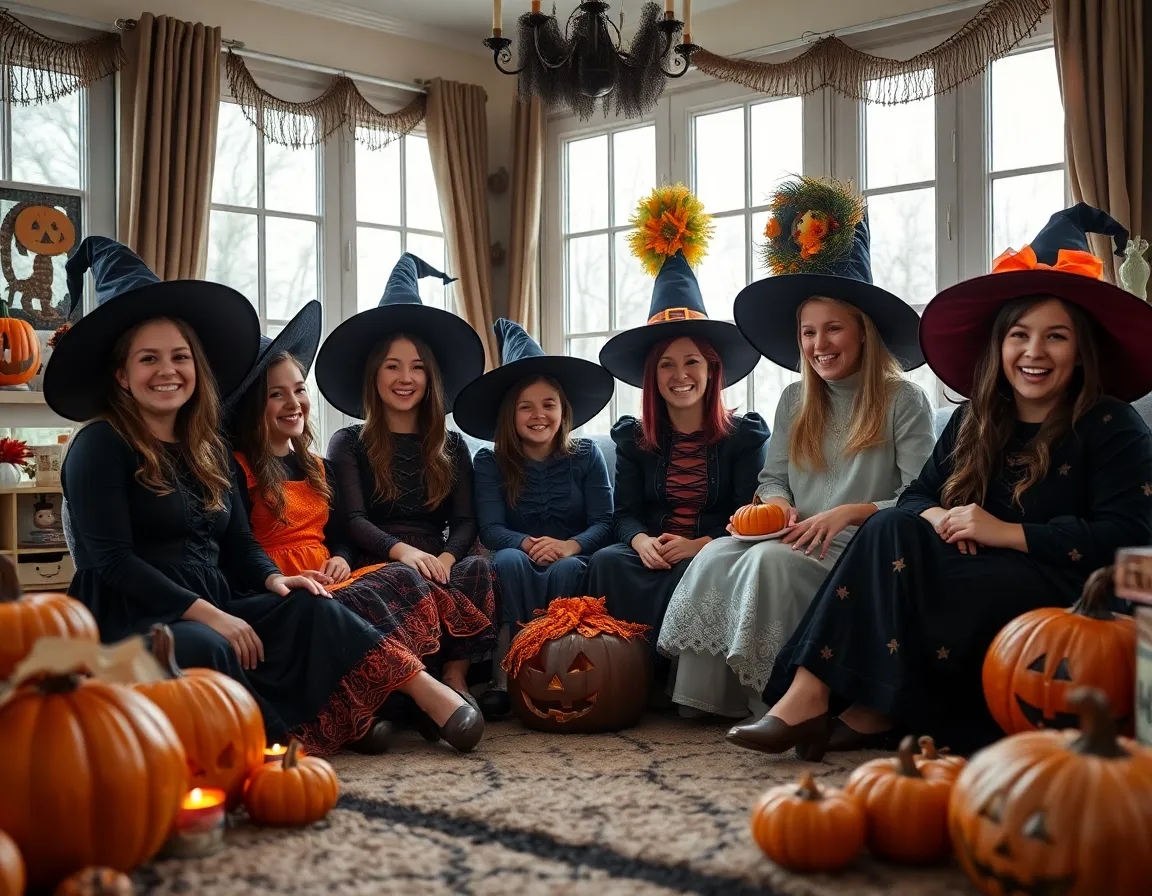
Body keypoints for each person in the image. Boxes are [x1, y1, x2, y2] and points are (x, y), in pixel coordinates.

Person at [727, 203, 1152, 758]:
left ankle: (876, 708)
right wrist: (940, 516)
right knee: (890, 530)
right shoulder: (977, 417)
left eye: (1056, 337)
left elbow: (1130, 539)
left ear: (1081, 350)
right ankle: (806, 698)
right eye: (1019, 335)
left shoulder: (1111, 423)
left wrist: (1006, 532)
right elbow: (920, 493)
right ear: (999, 347)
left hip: (1067, 589)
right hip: (977, 557)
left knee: (914, 560)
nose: (1033, 352)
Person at [51, 237, 400, 755]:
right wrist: (209, 614)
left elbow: (239, 542)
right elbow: (110, 561)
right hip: (133, 611)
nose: (167, 370)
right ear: (122, 375)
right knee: (207, 644)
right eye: (149, 359)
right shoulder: (101, 444)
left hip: (219, 597)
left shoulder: (208, 448)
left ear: (198, 369)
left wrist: (274, 579)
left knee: (311, 607)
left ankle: (375, 709)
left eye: (180, 356)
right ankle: (268, 750)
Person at [659, 177, 936, 721]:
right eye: (809, 333)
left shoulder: (904, 400)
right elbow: (774, 477)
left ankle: (780, 699)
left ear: (863, 333)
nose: (819, 345)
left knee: (769, 564)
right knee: (717, 552)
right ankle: (711, 696)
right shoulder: (794, 399)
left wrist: (848, 512)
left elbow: (920, 500)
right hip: (795, 532)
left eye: (833, 330)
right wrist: (776, 506)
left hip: (857, 547)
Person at [228, 300, 486, 752]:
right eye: (275, 394)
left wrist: (342, 558)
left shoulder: (313, 466)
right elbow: (241, 542)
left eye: (299, 390)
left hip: (329, 570)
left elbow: (337, 535)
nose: (293, 403)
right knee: (392, 577)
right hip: (277, 581)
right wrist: (280, 576)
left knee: (426, 574)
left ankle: (404, 696)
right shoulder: (239, 467)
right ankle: (411, 696)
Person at [588, 186, 768, 683]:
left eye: (692, 361)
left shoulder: (744, 436)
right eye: (666, 364)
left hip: (712, 548)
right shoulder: (634, 439)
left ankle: (680, 682)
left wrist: (699, 544)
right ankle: (623, 675)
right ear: (652, 378)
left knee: (712, 566)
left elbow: (748, 515)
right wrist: (642, 539)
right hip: (651, 548)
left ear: (712, 371)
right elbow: (623, 511)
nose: (679, 374)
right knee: (608, 561)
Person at [317, 253, 497, 745]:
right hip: (379, 555)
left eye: (417, 367)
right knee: (396, 578)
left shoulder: (452, 444)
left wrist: (442, 555)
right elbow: (351, 518)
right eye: (393, 366)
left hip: (435, 557)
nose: (405, 377)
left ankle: (454, 679)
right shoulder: (348, 442)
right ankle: (389, 700)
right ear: (374, 375)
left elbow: (464, 523)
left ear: (431, 377)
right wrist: (406, 553)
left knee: (479, 568)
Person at [456, 318, 615, 718]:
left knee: (565, 570)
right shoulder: (490, 461)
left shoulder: (586, 455)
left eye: (548, 404)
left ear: (563, 411)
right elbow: (491, 530)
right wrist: (527, 543)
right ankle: (504, 674)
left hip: (572, 554)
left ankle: (559, 669)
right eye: (525, 406)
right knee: (508, 561)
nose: (538, 414)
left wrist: (569, 545)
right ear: (510, 414)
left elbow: (605, 521)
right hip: (516, 554)